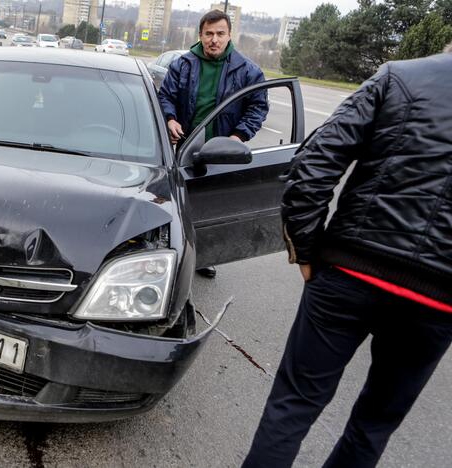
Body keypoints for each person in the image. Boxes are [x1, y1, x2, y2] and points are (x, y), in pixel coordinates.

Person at [243, 44, 452, 468]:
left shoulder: (399, 77)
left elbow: (316, 160)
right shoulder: (397, 77)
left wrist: (305, 247)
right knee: (373, 426)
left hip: (349, 272)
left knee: (294, 403)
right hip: (435, 301)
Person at [157, 9, 268, 278]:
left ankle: (203, 256)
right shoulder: (182, 65)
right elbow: (166, 97)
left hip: (219, 151)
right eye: (209, 34)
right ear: (200, 35)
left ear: (230, 35)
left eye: (220, 34)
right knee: (175, 200)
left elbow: (258, 107)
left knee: (208, 205)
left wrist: (237, 137)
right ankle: (167, 252)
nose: (214, 39)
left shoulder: (248, 71)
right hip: (183, 147)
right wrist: (170, 119)